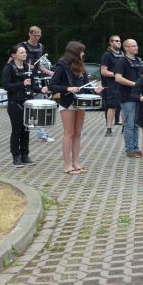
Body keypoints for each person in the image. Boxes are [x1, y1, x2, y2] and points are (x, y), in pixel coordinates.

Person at [48, 41, 104, 175]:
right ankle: (67, 165)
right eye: (81, 51)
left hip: (80, 103)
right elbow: (52, 85)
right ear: (74, 52)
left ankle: (76, 163)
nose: (83, 53)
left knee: (78, 133)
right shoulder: (62, 66)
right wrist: (68, 88)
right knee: (69, 133)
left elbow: (86, 86)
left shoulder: (81, 67)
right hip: (67, 102)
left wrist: (95, 90)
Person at [2, 45, 47, 167]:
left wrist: (41, 89)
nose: (24, 54)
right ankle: (15, 157)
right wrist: (22, 84)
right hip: (15, 103)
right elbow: (6, 86)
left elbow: (32, 85)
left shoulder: (28, 67)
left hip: (28, 102)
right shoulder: (9, 68)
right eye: (21, 52)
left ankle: (25, 155)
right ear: (13, 55)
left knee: (26, 130)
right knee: (16, 130)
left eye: (25, 52)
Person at [20, 26, 56, 142]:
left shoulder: (40, 47)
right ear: (30, 34)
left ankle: (41, 133)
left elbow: (39, 65)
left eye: (39, 36)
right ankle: (21, 131)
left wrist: (49, 72)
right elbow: (14, 61)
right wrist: (25, 65)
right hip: (23, 78)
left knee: (39, 105)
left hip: (35, 79)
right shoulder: (22, 46)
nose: (37, 38)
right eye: (35, 35)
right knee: (23, 105)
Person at [115, 39, 142, 158]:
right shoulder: (122, 61)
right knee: (129, 124)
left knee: (136, 125)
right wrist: (134, 84)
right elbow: (118, 78)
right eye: (133, 46)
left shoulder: (138, 60)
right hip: (127, 97)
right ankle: (129, 149)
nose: (136, 47)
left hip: (138, 96)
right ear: (126, 48)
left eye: (136, 45)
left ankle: (135, 147)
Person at [100, 35, 124, 137]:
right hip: (112, 85)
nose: (119, 42)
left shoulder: (123, 55)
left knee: (123, 106)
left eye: (120, 41)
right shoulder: (107, 55)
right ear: (110, 43)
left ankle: (124, 127)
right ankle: (109, 129)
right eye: (116, 41)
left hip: (123, 84)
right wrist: (116, 74)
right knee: (111, 106)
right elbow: (103, 71)